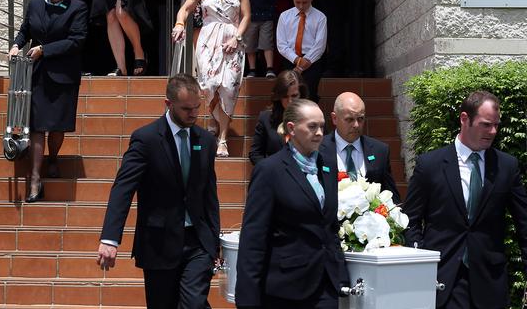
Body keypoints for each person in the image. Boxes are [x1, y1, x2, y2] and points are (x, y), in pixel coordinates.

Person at [403, 91, 527, 309]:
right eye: (486, 124)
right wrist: (422, 262)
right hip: (443, 279)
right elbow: (410, 220)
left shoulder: (506, 166)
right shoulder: (430, 165)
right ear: (464, 119)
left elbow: (525, 222)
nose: (493, 131)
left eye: (496, 125)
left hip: (490, 280)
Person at [96, 73, 220, 309]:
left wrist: (213, 241)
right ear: (168, 104)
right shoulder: (146, 139)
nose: (194, 114)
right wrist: (110, 238)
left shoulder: (205, 140)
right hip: (159, 243)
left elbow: (209, 195)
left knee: (194, 304)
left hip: (197, 242)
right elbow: (123, 188)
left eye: (197, 107)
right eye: (186, 109)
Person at [236, 98, 349, 308]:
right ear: (292, 128)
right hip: (287, 287)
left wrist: (339, 269)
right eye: (312, 126)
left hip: (326, 283)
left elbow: (329, 224)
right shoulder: (270, 171)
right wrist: (248, 297)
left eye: (322, 127)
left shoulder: (328, 163)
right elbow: (254, 239)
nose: (319, 133)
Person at [9, 0, 88, 203]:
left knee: (56, 127)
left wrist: (44, 50)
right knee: (36, 126)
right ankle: (35, 177)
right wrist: (15, 45)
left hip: (63, 74)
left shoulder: (78, 8)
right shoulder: (34, 4)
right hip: (37, 74)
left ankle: (53, 157)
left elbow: (77, 40)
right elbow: (26, 30)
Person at [172, 0, 251, 158]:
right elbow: (185, 8)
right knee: (208, 85)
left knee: (228, 86)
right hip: (208, 39)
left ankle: (222, 137)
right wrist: (180, 24)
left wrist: (237, 37)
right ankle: (214, 119)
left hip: (232, 39)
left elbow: (246, 16)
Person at [319, 92, 400, 202]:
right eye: (349, 119)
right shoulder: (318, 149)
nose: (356, 125)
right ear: (334, 118)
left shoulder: (379, 150)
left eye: (360, 119)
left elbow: (391, 196)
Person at [276, 0, 326, 103]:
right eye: (297, 2)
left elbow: (319, 45)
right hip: (290, 60)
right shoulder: (284, 16)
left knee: (309, 95)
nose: (301, 6)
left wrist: (304, 63)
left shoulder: (320, 17)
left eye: (305, 2)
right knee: (287, 95)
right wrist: (297, 60)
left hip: (312, 61)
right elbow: (282, 44)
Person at [249, 69, 307, 165]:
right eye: (285, 97)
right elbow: (255, 154)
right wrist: (271, 171)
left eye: (294, 96)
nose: (290, 101)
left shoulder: (312, 117)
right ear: (278, 97)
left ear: (301, 94)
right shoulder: (266, 118)